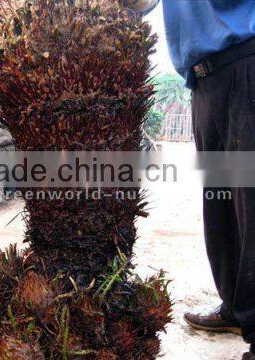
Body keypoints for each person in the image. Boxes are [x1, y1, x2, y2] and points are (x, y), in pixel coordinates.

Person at [129, 1, 255, 359]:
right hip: (205, 81)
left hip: (247, 62)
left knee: (251, 202)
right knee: (222, 207)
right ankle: (235, 308)